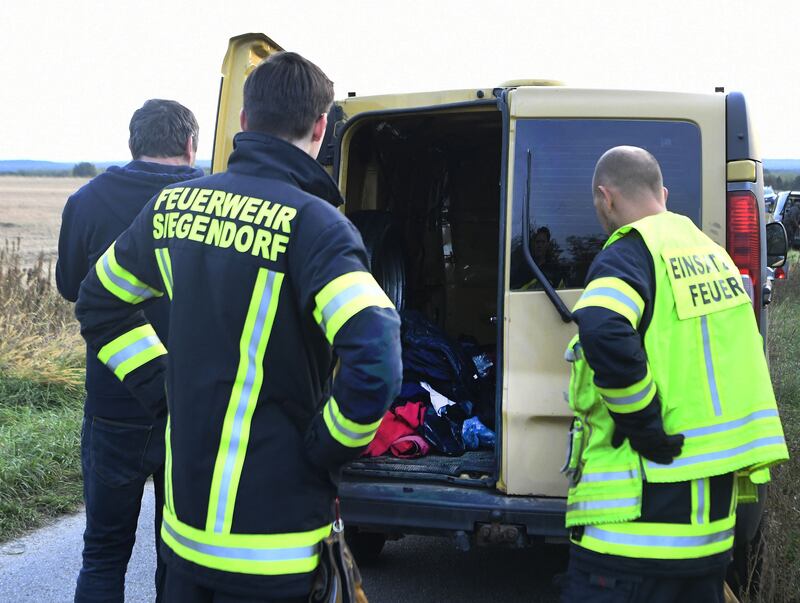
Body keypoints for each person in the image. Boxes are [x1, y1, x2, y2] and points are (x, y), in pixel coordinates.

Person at [75, 51, 402, 602]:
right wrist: (326, 446)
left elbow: (98, 303)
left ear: (244, 121)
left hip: (185, 542)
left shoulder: (171, 209)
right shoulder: (319, 226)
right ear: (321, 129)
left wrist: (159, 389)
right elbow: (376, 359)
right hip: (278, 552)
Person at [560, 146, 788, 602]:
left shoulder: (629, 252)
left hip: (631, 533)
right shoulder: (714, 255)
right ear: (663, 193)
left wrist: (643, 423)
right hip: (708, 535)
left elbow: (602, 325)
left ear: (607, 198)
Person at [56, 99, 203, 603]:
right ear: (190, 145)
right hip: (190, 408)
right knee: (179, 554)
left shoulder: (87, 200)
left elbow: (74, 288)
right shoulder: (209, 203)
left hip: (113, 402)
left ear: (132, 143)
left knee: (102, 551)